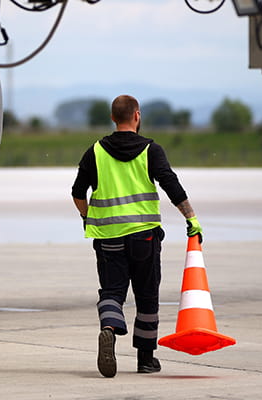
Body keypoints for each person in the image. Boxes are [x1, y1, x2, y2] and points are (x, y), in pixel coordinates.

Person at [71, 95, 202, 377]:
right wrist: (191, 218)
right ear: (137, 116)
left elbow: (77, 192)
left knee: (112, 292)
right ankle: (145, 359)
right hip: (144, 237)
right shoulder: (150, 151)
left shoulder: (94, 152)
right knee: (146, 295)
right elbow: (171, 185)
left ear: (112, 118)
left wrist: (86, 217)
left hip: (108, 238)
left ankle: (108, 329)